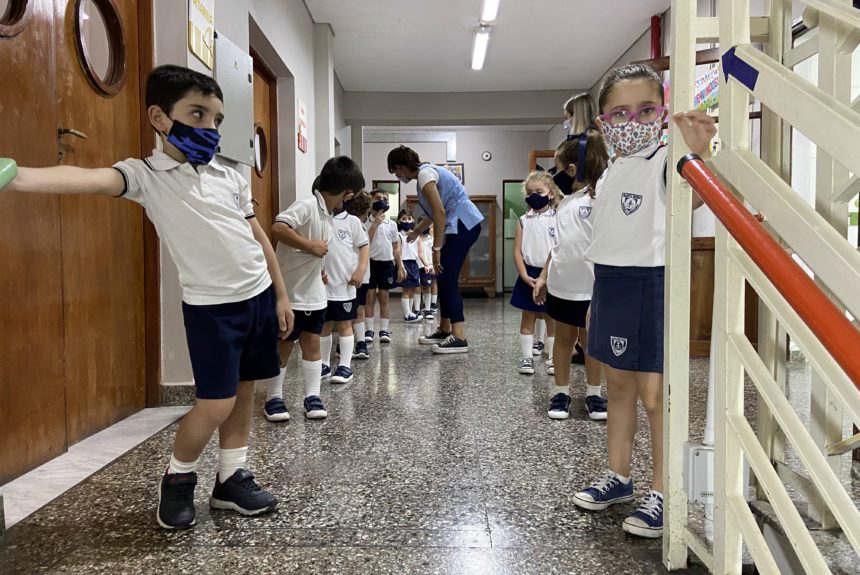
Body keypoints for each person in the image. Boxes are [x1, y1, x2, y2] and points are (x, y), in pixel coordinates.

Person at [0, 65, 292, 529]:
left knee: (243, 391)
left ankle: (232, 478)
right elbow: (86, 179)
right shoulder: (146, 175)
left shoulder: (230, 175)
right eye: (197, 114)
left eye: (216, 119)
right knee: (214, 402)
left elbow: (256, 236)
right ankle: (178, 479)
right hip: (212, 310)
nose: (209, 128)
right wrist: (15, 177)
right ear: (159, 118)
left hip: (257, 297)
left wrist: (280, 294)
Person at [570, 63, 714, 539]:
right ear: (603, 123)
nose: (634, 121)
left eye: (647, 110)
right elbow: (608, 239)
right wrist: (595, 296)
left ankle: (663, 489)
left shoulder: (667, 161)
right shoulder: (611, 171)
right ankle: (619, 477)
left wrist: (700, 152)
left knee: (656, 396)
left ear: (663, 112)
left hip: (653, 283)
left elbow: (690, 197)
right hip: (611, 284)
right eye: (621, 113)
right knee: (619, 390)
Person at [265, 158, 365, 422]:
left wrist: (317, 266)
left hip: (315, 296)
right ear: (348, 193)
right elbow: (278, 228)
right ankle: (273, 397)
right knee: (284, 346)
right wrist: (310, 246)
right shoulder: (307, 206)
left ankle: (312, 396)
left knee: (312, 345)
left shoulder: (328, 217)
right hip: (292, 297)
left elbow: (312, 255)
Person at [534, 132, 608, 421]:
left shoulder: (598, 197)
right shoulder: (564, 202)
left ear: (573, 169)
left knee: (590, 343)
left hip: (590, 289)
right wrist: (543, 277)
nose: (555, 175)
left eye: (559, 168)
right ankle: (561, 391)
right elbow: (558, 245)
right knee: (563, 340)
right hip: (561, 285)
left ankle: (593, 393)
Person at [388, 146, 484, 354]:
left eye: (396, 171)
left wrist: (436, 248)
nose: (397, 175)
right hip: (462, 223)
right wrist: (415, 232)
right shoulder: (426, 173)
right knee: (444, 277)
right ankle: (444, 329)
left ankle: (459, 336)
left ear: (401, 166)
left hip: (463, 224)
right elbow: (434, 213)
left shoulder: (424, 175)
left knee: (448, 279)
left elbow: (439, 213)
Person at [318, 190, 369, 384]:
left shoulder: (352, 221)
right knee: (325, 325)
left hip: (344, 285)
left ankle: (345, 366)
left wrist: (360, 270)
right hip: (323, 286)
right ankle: (323, 363)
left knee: (345, 324)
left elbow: (364, 246)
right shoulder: (322, 219)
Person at [510, 172, 558, 376]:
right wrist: (523, 274)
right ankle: (527, 357)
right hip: (528, 274)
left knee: (551, 317)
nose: (534, 196)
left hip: (552, 274)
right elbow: (517, 251)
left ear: (551, 194)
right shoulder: (523, 220)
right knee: (527, 316)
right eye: (530, 192)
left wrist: (544, 277)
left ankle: (553, 357)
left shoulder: (558, 217)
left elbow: (558, 248)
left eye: (539, 191)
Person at [364, 189, 406, 344]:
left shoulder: (392, 224)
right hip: (369, 263)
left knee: (384, 296)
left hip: (386, 264)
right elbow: (365, 241)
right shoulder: (365, 222)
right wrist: (375, 223)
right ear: (371, 201)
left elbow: (396, 247)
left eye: (385, 198)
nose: (382, 200)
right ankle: (369, 329)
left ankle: (384, 329)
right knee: (369, 297)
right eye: (378, 198)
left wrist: (400, 265)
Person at [345, 190, 374, 360]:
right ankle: (353, 344)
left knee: (357, 310)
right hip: (354, 275)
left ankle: (360, 343)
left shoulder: (360, 225)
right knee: (353, 312)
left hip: (361, 275)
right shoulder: (354, 223)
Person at [397, 210, 423, 323]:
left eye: (409, 219)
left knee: (413, 289)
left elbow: (420, 252)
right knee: (406, 290)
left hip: (414, 264)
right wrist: (400, 266)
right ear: (399, 221)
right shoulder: (398, 235)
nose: (407, 221)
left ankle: (411, 312)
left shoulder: (416, 236)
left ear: (413, 221)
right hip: (404, 263)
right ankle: (407, 314)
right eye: (403, 219)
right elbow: (397, 251)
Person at [417, 226, 437, 320]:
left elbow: (434, 252)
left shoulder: (430, 239)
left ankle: (428, 309)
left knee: (428, 287)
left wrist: (431, 265)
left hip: (428, 266)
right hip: (417, 265)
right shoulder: (416, 238)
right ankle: (417, 309)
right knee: (417, 288)